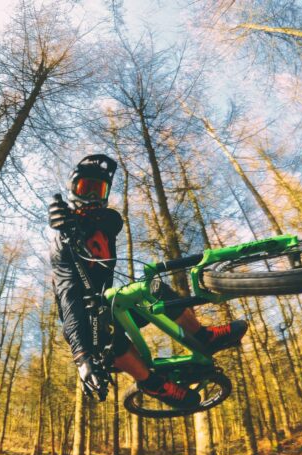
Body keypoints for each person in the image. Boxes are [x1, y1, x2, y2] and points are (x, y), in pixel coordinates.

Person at [49, 154, 247, 409]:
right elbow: (69, 298)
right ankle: (152, 383)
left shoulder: (104, 225)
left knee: (151, 287)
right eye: (85, 188)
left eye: (98, 190)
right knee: (101, 326)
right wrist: (82, 357)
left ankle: (203, 336)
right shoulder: (60, 247)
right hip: (82, 322)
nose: (92, 197)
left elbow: (113, 221)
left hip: (110, 303)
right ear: (72, 191)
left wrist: (74, 221)